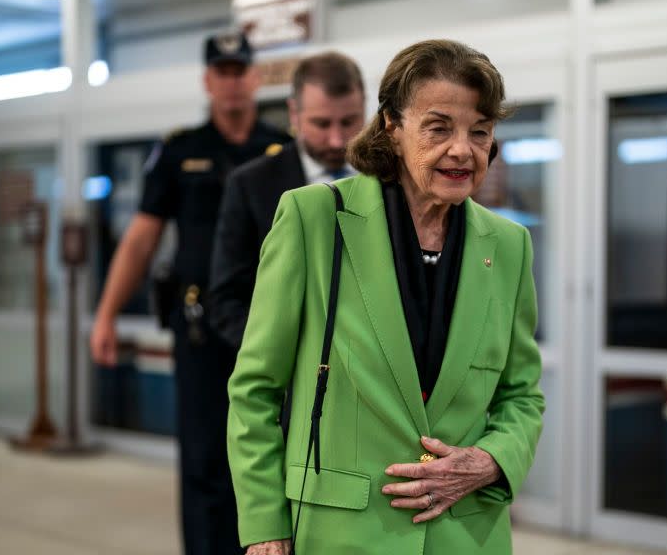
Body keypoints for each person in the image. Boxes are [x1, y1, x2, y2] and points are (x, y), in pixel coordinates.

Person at [227, 39, 546, 554]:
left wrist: (493, 460)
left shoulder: (509, 246)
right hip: (342, 534)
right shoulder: (314, 219)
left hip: (466, 534)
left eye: (480, 131)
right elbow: (255, 388)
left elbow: (521, 394)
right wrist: (265, 524)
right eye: (439, 127)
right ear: (393, 128)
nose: (462, 149)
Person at [89, 31, 290, 555]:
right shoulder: (180, 151)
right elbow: (140, 239)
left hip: (267, 329)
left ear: (254, 77)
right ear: (208, 81)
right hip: (201, 335)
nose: (231, 82)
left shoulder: (282, 152)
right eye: (220, 72)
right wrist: (106, 315)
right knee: (204, 461)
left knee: (274, 452)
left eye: (239, 71)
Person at [209, 51, 366, 350]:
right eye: (321, 124)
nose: (337, 139)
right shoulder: (251, 185)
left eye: (349, 121)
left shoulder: (390, 179)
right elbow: (226, 300)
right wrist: (280, 358)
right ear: (294, 114)